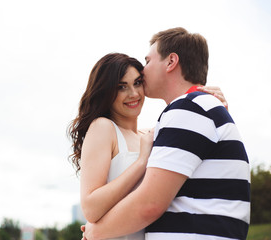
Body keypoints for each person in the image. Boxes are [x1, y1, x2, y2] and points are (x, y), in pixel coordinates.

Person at [82, 27, 250, 240]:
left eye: (147, 62)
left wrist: (96, 232)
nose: (143, 72)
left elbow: (150, 204)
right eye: (121, 86)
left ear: (171, 62)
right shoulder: (113, 128)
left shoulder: (185, 113)